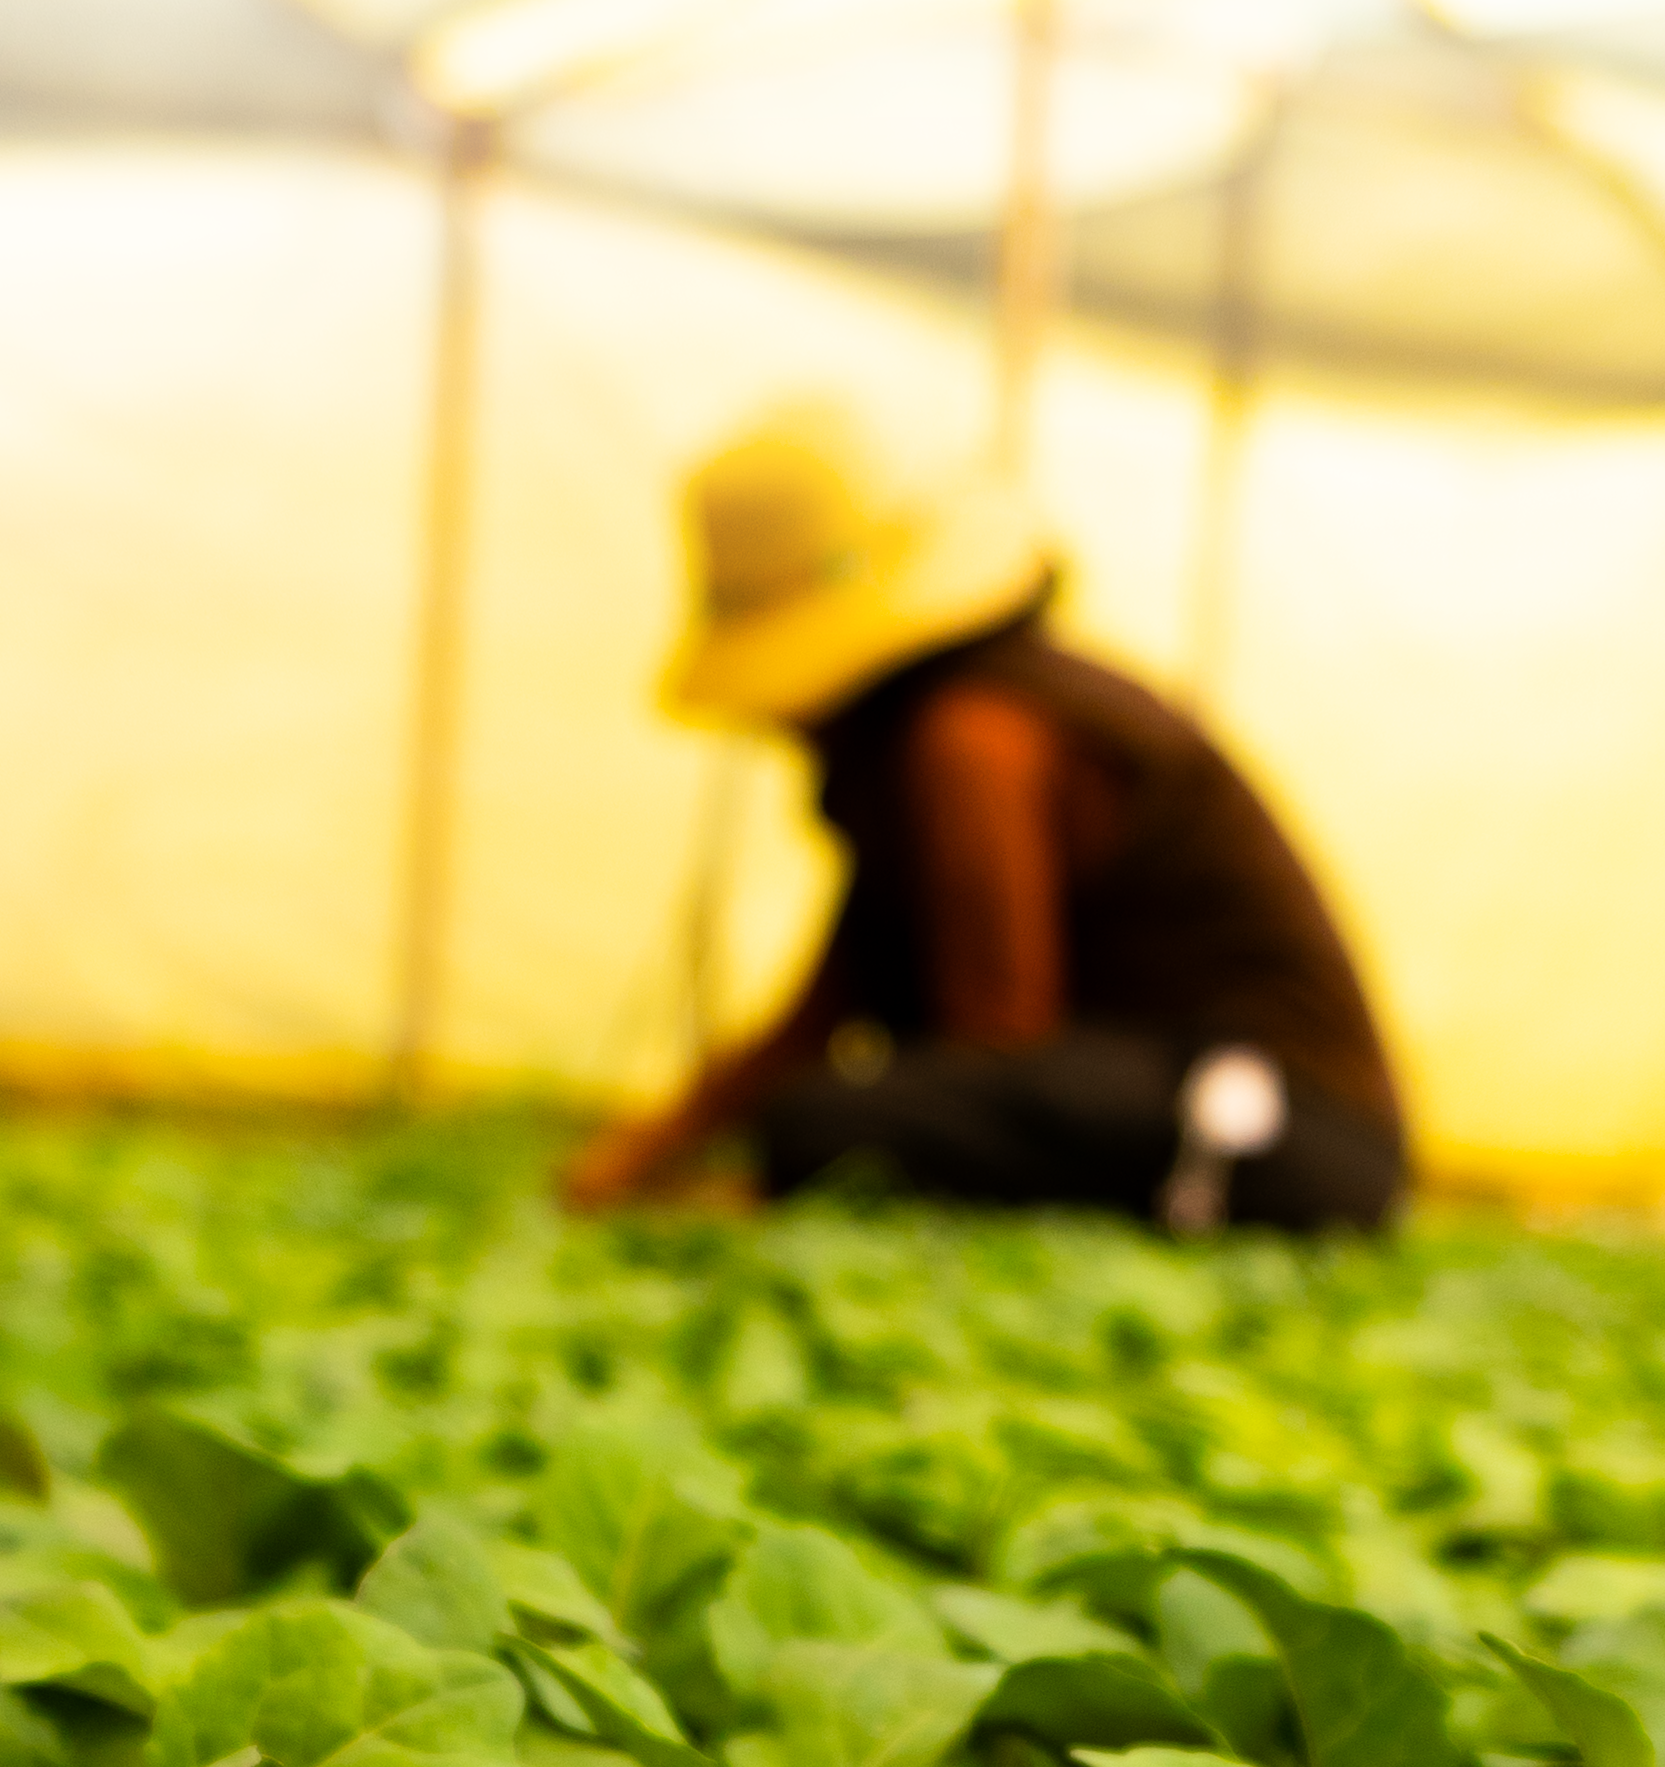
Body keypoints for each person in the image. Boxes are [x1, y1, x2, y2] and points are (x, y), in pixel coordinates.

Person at [565, 403, 1407, 1230]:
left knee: (830, 1124)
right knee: (831, 1114)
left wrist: (798, 1165)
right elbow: (831, 1003)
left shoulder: (973, 742)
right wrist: (648, 1150)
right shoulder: (941, 729)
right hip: (1159, 1098)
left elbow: (998, 1037)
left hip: (1282, 1128)